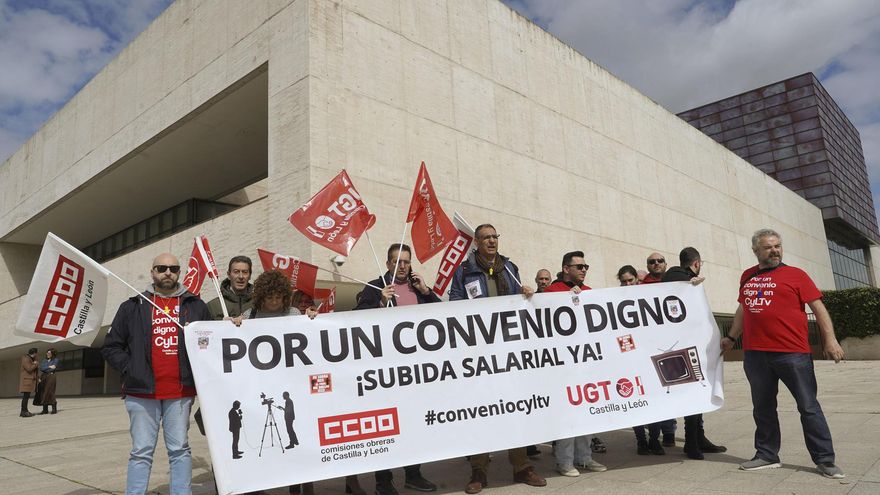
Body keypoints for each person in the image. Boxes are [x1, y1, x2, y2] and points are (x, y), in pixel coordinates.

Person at [723, 229, 846, 479]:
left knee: (808, 406)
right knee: (763, 407)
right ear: (756, 250)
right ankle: (767, 454)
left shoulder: (796, 275)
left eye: (777, 246)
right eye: (768, 247)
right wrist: (731, 337)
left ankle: (825, 460)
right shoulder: (747, 276)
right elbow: (743, 309)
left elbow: (818, 308)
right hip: (756, 355)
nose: (775, 251)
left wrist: (830, 339)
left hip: (792, 353)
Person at [101, 253, 212, 495]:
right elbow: (111, 347)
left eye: (173, 268)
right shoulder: (132, 306)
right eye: (161, 268)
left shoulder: (196, 306)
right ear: (152, 272)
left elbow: (211, 343)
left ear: (179, 273)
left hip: (180, 392)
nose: (167, 272)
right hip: (141, 393)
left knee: (179, 450)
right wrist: (132, 368)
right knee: (141, 452)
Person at [448, 224, 544, 494]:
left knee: (516, 406)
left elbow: (518, 303)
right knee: (482, 409)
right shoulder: (465, 271)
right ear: (476, 242)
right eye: (486, 238)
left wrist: (526, 295)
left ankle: (521, 465)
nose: (491, 241)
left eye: (494, 237)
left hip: (508, 349)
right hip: (479, 351)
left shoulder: (510, 269)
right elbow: (454, 303)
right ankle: (479, 469)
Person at [234, 270, 337, 495]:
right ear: (261, 296)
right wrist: (235, 324)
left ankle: (303, 485)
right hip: (262, 384)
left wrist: (311, 319)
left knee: (299, 433)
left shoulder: (293, 313)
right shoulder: (251, 315)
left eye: (278, 297)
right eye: (269, 297)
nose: (273, 302)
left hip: (291, 384)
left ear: (284, 296)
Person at [355, 244, 439, 495]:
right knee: (387, 427)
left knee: (414, 424)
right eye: (397, 261)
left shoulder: (417, 288)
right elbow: (355, 319)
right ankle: (383, 481)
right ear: (388, 264)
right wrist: (380, 301)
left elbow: (443, 315)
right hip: (385, 372)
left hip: (415, 370)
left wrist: (427, 292)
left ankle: (413, 474)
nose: (403, 266)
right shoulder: (374, 287)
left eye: (406, 261)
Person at [544, 251, 607, 476]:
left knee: (587, 412)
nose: (583, 270)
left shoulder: (588, 292)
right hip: (564, 364)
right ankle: (565, 461)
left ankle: (584, 457)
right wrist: (568, 299)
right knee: (568, 414)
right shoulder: (552, 291)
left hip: (586, 362)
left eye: (585, 266)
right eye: (579, 266)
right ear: (566, 268)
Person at [661, 247, 725, 460]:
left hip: (676, 345)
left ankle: (698, 438)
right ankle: (692, 442)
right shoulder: (687, 282)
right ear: (696, 263)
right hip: (686, 345)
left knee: (696, 390)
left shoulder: (671, 279)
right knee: (694, 391)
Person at [616, 265, 664, 454]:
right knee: (636, 402)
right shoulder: (615, 300)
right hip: (630, 357)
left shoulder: (648, 294)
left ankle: (654, 439)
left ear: (637, 279)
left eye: (630, 280)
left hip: (650, 355)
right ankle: (641, 441)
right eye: (624, 281)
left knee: (655, 401)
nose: (628, 284)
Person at [641, 252, 675, 445]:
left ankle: (669, 433)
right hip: (650, 348)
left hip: (672, 346)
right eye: (651, 261)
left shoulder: (676, 283)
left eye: (659, 261)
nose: (656, 264)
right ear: (647, 265)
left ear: (665, 263)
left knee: (670, 391)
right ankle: (654, 436)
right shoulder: (640, 288)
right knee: (656, 392)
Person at [207, 255, 254, 319]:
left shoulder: (259, 303)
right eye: (236, 272)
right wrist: (221, 324)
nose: (241, 276)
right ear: (229, 275)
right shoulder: (212, 307)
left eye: (245, 272)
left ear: (250, 276)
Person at [38, 348, 60, 415]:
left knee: (50, 391)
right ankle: (45, 410)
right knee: (43, 391)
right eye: (47, 353)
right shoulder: (44, 360)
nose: (47, 354)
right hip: (43, 376)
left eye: (49, 353)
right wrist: (50, 367)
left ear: (53, 354)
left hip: (51, 376)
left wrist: (46, 368)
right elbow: (41, 368)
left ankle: (54, 409)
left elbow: (53, 369)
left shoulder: (56, 360)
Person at [19, 347, 38, 417]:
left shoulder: (30, 359)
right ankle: (24, 411)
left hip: (28, 380)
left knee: (26, 396)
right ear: (34, 353)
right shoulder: (26, 359)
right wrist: (35, 364)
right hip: (27, 381)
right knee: (25, 397)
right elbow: (29, 369)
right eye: (36, 353)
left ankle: (24, 411)